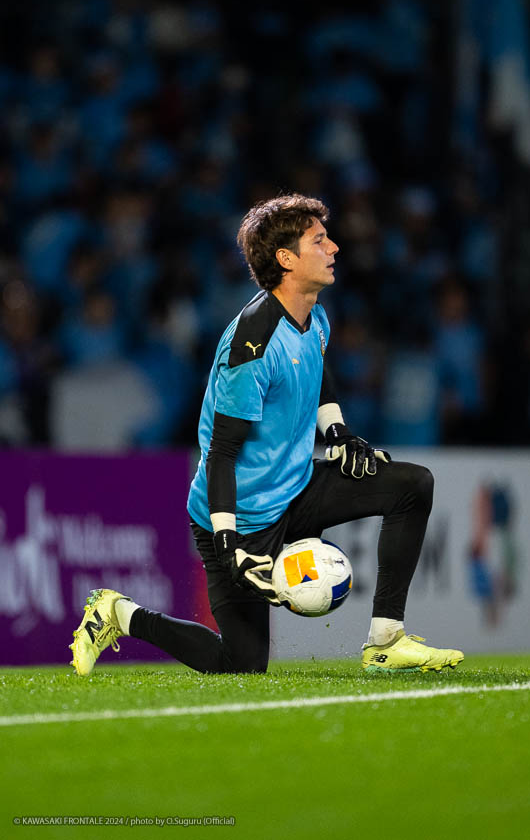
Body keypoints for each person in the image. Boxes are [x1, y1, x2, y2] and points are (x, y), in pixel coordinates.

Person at [70, 193, 464, 676]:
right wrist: (228, 540)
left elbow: (317, 375)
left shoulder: (314, 315)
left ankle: (385, 642)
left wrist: (337, 432)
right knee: (241, 664)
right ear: (286, 259)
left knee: (412, 484)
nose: (334, 248)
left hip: (296, 490)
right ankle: (119, 613)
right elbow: (221, 452)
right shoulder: (252, 345)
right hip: (241, 515)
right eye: (319, 241)